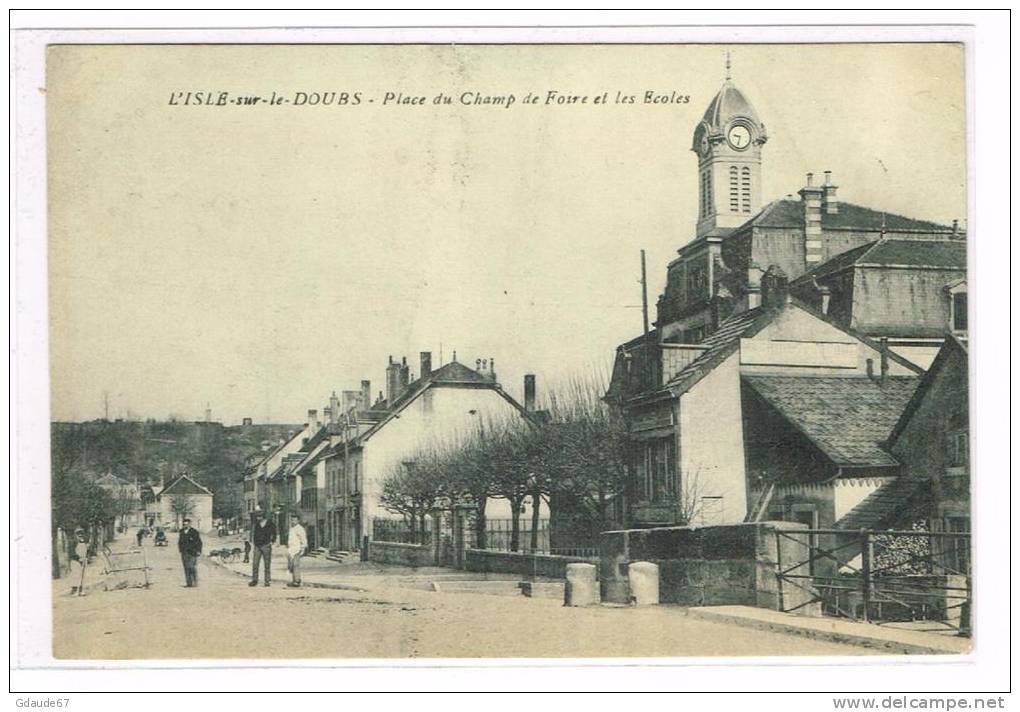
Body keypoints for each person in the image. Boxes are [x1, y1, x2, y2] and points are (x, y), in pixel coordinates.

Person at [249, 508, 276, 587]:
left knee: (267, 564)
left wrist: (272, 541)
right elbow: (254, 533)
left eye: (259, 517)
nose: (258, 518)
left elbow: (274, 532)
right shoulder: (257, 524)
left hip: (266, 545)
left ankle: (267, 581)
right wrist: (254, 542)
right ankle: (254, 580)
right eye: (257, 517)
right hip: (257, 546)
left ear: (263, 517)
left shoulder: (270, 523)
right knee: (255, 564)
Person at [177, 518, 203, 587]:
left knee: (192, 567)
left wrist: (199, 551)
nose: (185, 525)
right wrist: (180, 549)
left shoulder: (194, 532)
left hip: (192, 552)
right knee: (186, 567)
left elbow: (199, 542)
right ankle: (189, 583)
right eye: (184, 524)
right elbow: (180, 541)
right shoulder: (181, 531)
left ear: (190, 524)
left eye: (187, 524)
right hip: (184, 552)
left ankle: (195, 582)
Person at [286, 513, 308, 588]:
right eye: (292, 520)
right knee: (291, 566)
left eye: (295, 520)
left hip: (297, 549)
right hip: (291, 549)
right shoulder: (291, 529)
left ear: (298, 520)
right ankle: (294, 580)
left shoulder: (300, 529)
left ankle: (297, 580)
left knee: (296, 565)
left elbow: (303, 539)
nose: (293, 521)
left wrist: (303, 548)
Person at [70, 528, 89, 595]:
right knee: (76, 575)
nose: (80, 535)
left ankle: (81, 590)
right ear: (75, 535)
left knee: (83, 576)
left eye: (81, 533)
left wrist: (86, 557)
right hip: (75, 561)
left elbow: (86, 551)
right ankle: (74, 591)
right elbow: (71, 552)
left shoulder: (84, 542)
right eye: (78, 534)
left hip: (83, 560)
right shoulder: (73, 542)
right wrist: (78, 559)